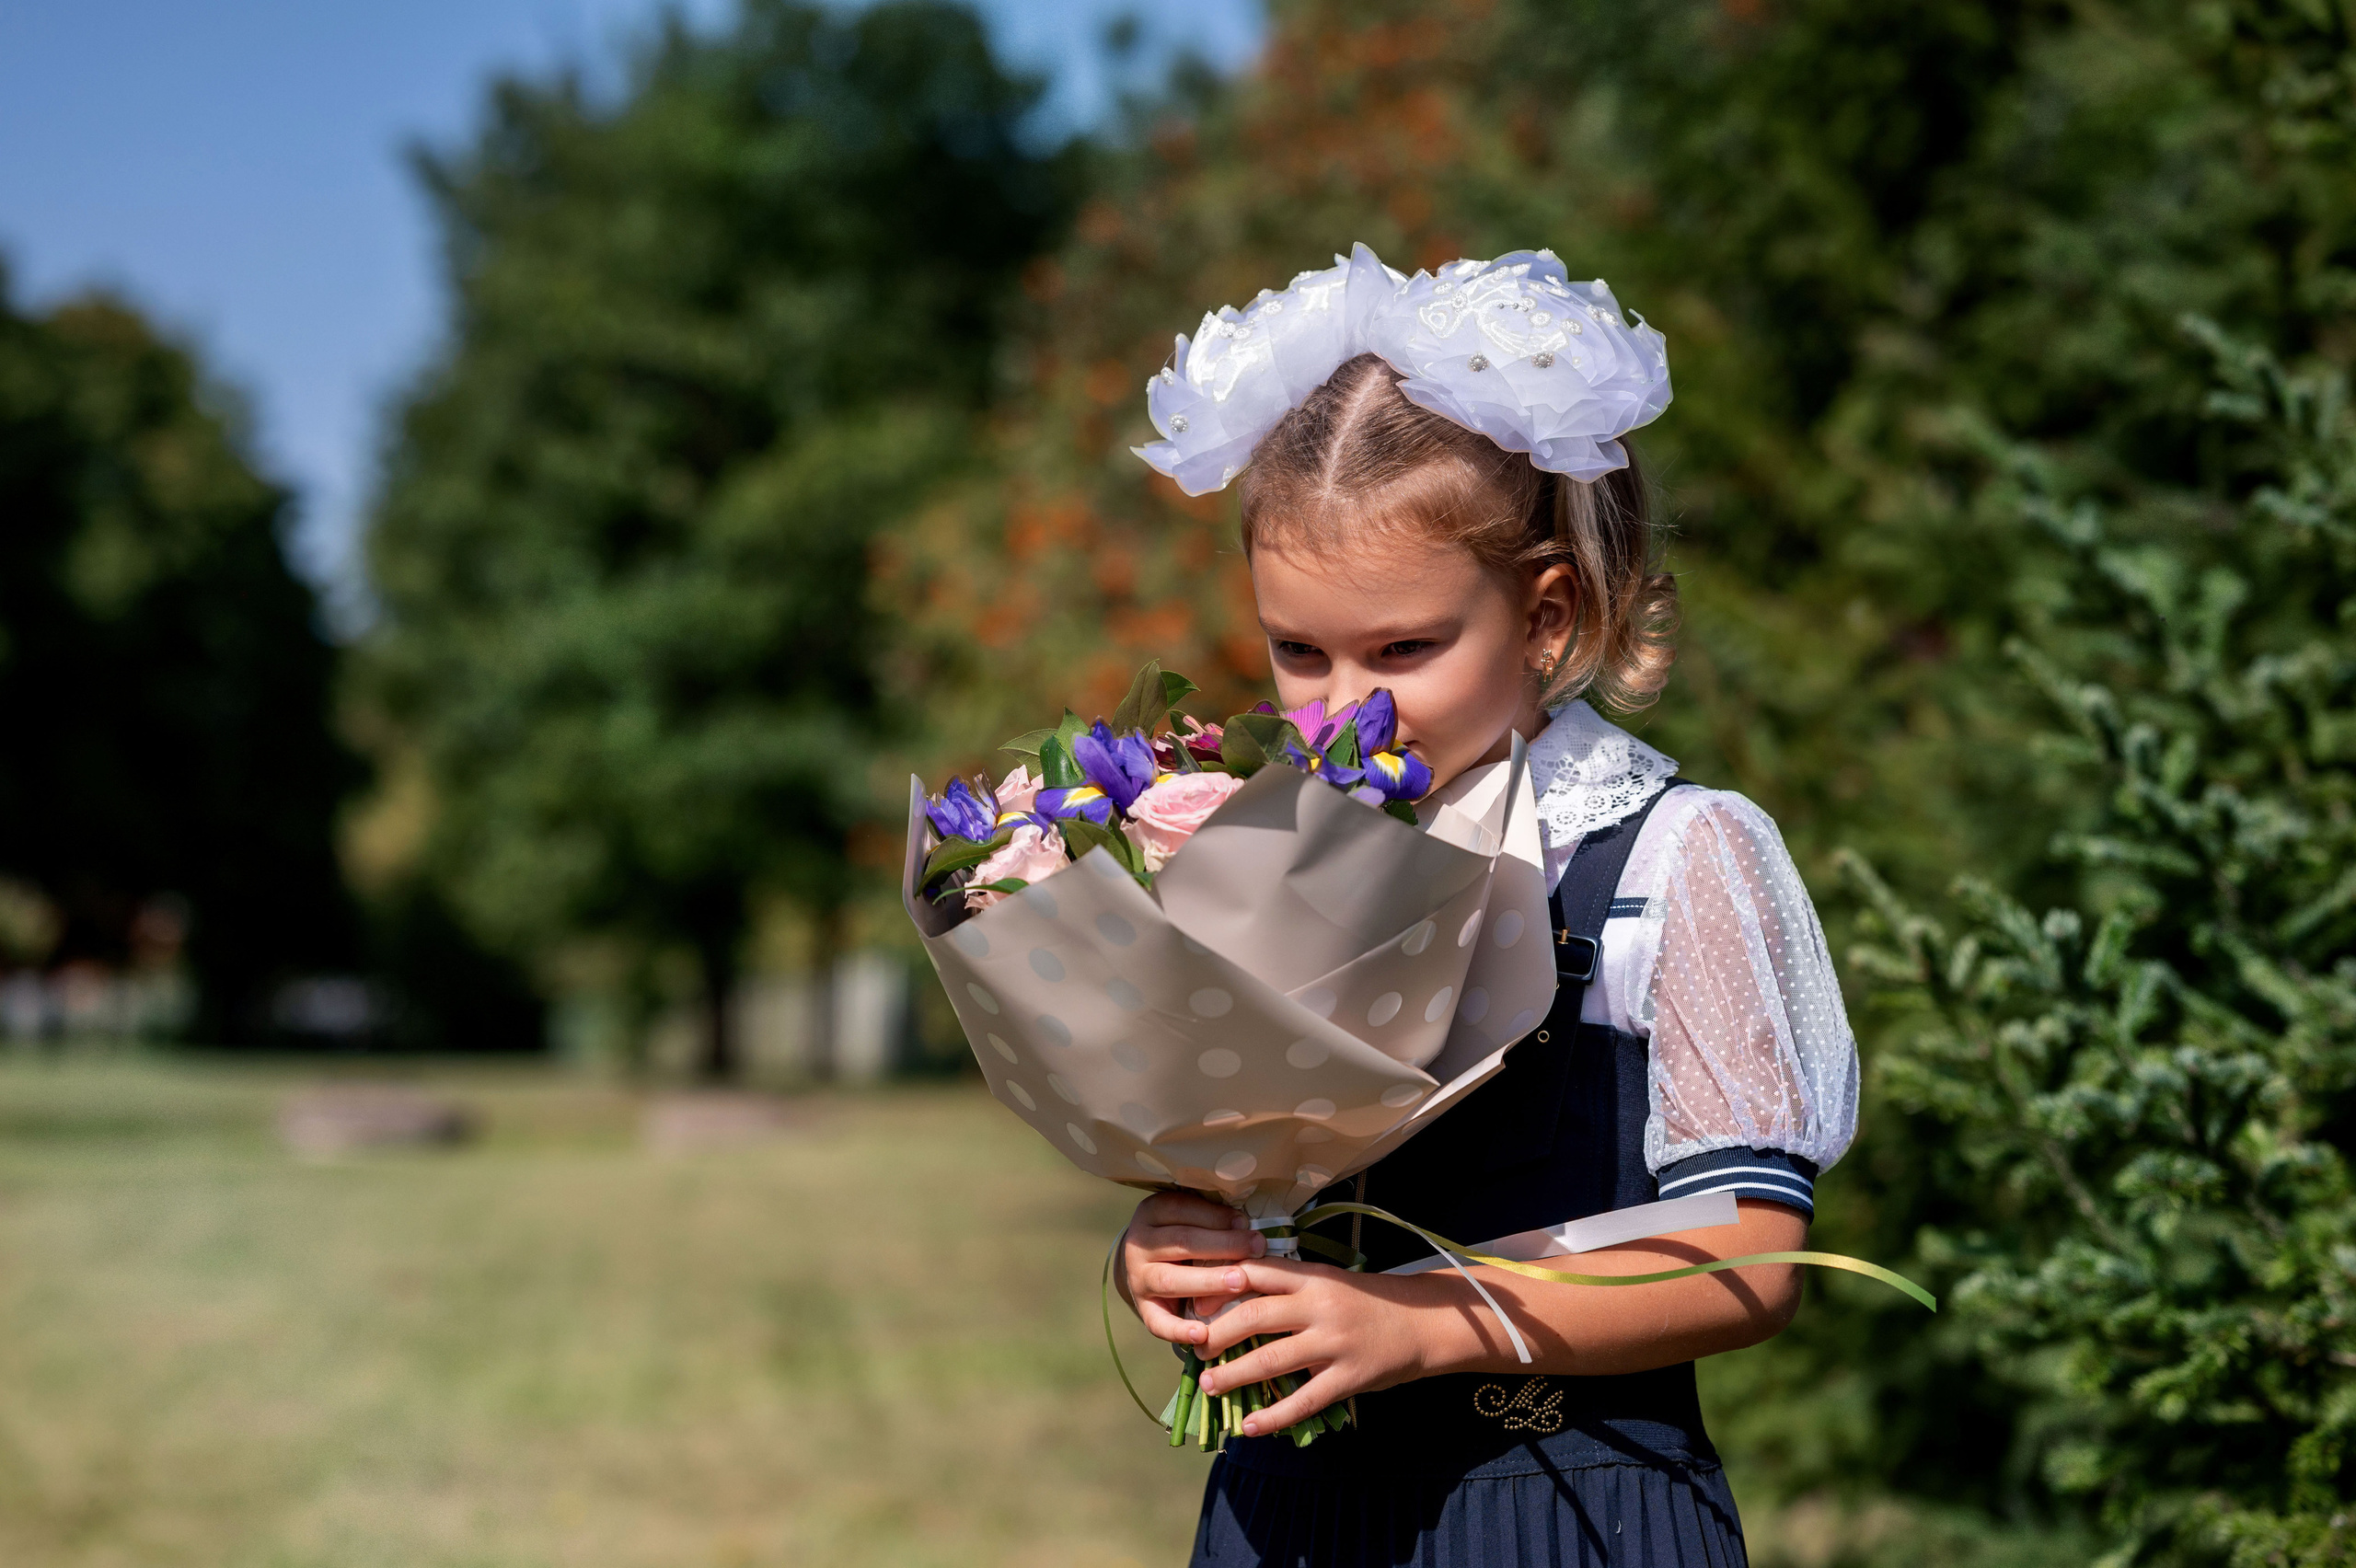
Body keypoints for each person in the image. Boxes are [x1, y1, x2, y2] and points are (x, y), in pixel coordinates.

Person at [1115, 248, 1859, 1565]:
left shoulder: (1673, 857)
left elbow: (1752, 1258)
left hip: (1562, 1504)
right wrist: (1180, 1244)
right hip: (1292, 1510)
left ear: (1546, 614)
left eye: (1405, 649)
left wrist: (1415, 1323)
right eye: (1299, 650)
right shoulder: (1259, 852)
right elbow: (1245, 1166)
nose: (1344, 704)